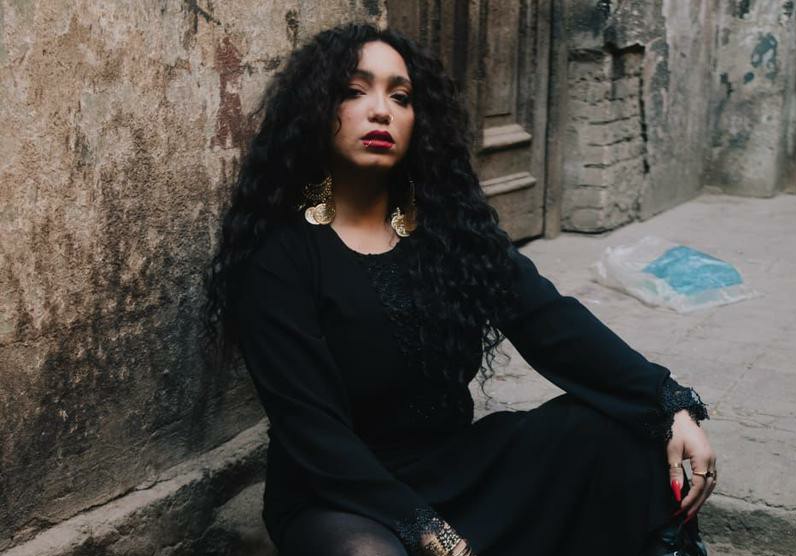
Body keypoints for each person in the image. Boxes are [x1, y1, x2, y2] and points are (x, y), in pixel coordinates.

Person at [204, 22, 717, 556]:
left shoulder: (450, 231)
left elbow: (551, 323)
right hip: (338, 490)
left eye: (400, 97)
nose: (381, 111)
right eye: (354, 91)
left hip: (455, 467)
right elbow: (310, 429)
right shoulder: (279, 255)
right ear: (313, 109)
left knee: (621, 428)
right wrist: (431, 532)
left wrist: (667, 403)